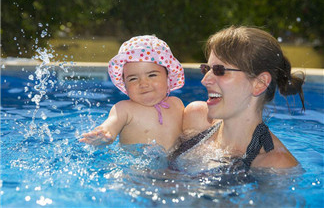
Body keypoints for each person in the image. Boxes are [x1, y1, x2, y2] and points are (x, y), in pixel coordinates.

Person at [169, 26, 305, 172]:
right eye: (206, 69)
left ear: (259, 83)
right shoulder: (196, 119)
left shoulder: (276, 164)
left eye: (219, 70)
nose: (205, 80)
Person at [80, 35, 185, 151]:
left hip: (175, 167)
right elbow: (110, 125)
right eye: (133, 79)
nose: (143, 84)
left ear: (168, 77)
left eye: (152, 75)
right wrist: (103, 135)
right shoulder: (124, 109)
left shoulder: (176, 104)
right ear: (124, 84)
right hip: (136, 168)